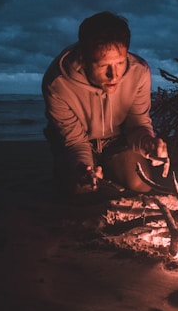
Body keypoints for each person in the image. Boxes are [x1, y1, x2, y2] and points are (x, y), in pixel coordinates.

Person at [42, 11, 169, 196]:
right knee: (82, 190)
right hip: (75, 144)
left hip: (116, 141)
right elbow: (74, 141)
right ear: (84, 59)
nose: (114, 74)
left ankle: (111, 168)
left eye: (119, 63)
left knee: (141, 185)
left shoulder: (139, 72)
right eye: (103, 66)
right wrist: (84, 168)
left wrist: (148, 143)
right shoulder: (57, 83)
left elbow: (137, 124)